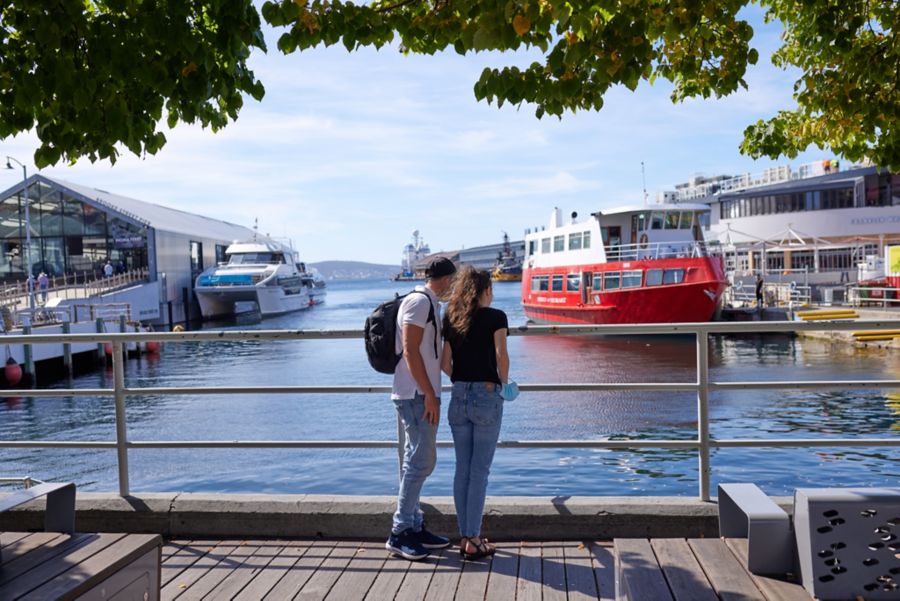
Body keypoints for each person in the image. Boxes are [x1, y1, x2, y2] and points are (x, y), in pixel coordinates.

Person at [440, 266, 515, 561]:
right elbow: (501, 356)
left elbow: (446, 363)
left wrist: (462, 379)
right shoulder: (496, 317)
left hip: (458, 396)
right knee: (480, 472)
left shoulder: (452, 318)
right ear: (486, 291)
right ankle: (473, 539)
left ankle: (466, 536)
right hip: (486, 395)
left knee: (463, 468)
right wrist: (504, 387)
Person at [385, 256, 457, 561]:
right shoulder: (418, 303)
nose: (454, 286)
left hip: (420, 394)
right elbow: (410, 351)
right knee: (421, 461)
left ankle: (414, 526)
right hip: (415, 394)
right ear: (444, 279)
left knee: (416, 460)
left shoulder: (430, 303)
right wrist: (429, 393)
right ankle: (400, 532)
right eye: (453, 280)